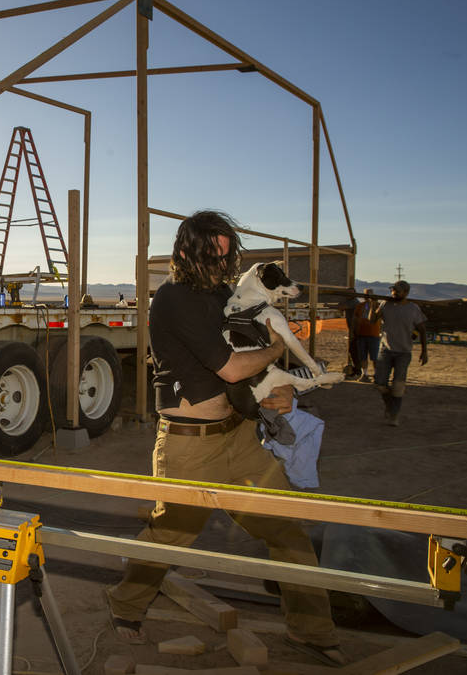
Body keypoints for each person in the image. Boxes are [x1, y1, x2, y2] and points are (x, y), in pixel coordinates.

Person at [105, 211, 344, 667]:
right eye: (209, 255)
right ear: (183, 254)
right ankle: (125, 604)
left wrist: (282, 392)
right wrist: (278, 345)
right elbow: (233, 367)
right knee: (171, 534)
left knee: (287, 531)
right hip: (189, 443)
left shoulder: (226, 296)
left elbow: (252, 370)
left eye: (225, 254)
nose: (219, 264)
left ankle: (312, 630)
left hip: (240, 435)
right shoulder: (174, 298)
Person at [371, 280, 427, 426]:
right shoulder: (385, 304)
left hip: (404, 352)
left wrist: (424, 351)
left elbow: (422, 330)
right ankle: (390, 405)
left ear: (406, 293)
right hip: (386, 350)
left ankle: (393, 415)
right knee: (379, 383)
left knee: (398, 386)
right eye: (393, 291)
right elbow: (372, 321)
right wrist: (373, 304)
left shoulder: (413, 309)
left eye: (397, 291)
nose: (393, 293)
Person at [352, 288, 381, 382]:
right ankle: (365, 374)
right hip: (361, 333)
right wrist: (355, 331)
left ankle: (377, 374)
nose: (367, 296)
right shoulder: (360, 306)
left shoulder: (378, 306)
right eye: (366, 295)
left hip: (374, 334)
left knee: (375, 356)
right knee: (362, 355)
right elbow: (355, 319)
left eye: (369, 294)